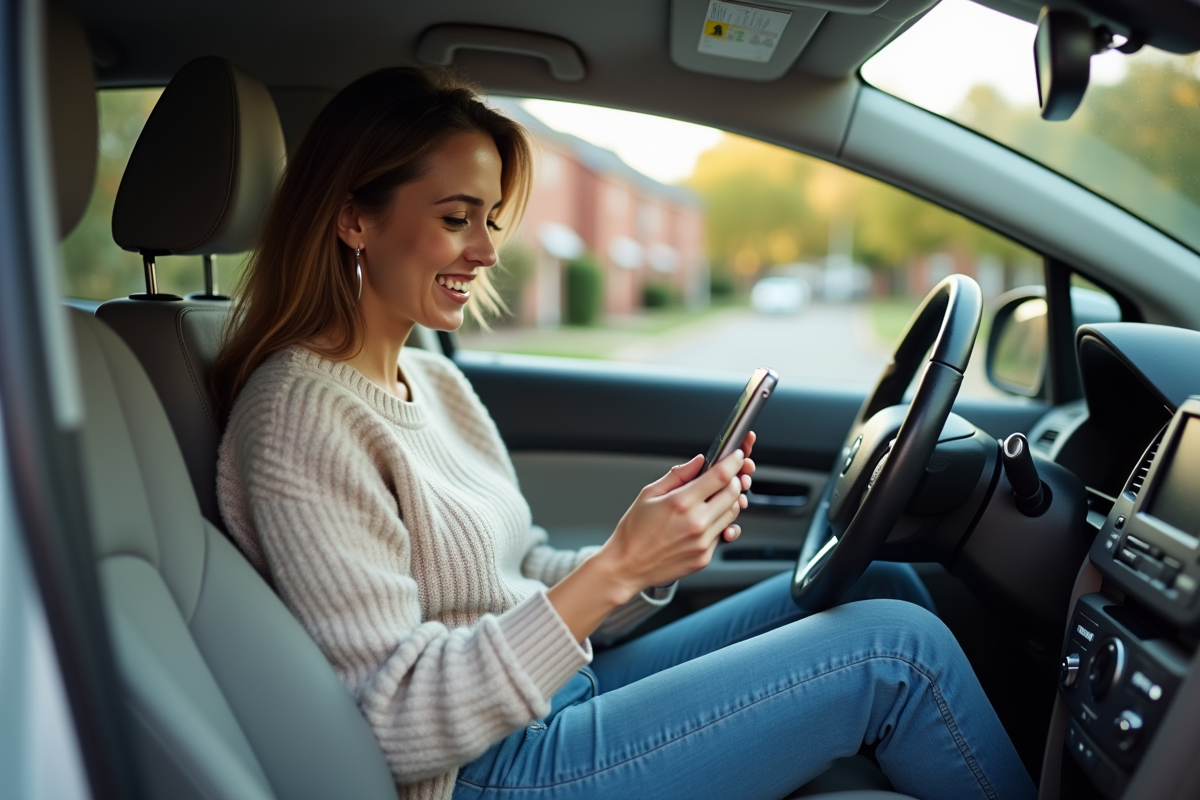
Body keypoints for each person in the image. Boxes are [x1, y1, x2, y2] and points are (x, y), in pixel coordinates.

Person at [212, 67, 1036, 800]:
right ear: (355, 219)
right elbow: (390, 719)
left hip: (558, 696)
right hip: (485, 770)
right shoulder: (299, 415)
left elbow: (522, 571)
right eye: (458, 217)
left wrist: (648, 556)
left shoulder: (431, 377)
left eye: (493, 218)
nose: (488, 250)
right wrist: (615, 569)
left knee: (877, 585)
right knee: (899, 651)